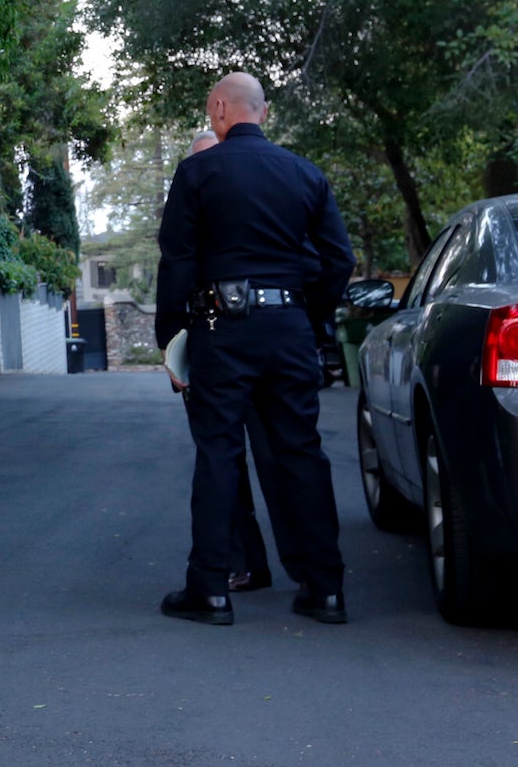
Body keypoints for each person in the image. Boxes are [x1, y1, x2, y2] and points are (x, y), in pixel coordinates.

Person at [154, 72, 354, 626]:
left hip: (223, 330)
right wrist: (305, 316)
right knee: (301, 453)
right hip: (289, 327)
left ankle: (211, 592)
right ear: (262, 112)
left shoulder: (197, 173)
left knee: (218, 452)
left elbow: (177, 264)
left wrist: (173, 344)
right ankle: (326, 590)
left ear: (220, 108)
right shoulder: (305, 174)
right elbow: (338, 260)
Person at [170, 131, 283, 594]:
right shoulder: (192, 221)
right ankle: (246, 564)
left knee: (278, 458)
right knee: (224, 465)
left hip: (261, 345)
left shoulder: (253, 212)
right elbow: (175, 276)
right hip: (208, 347)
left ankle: (307, 569)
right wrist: (175, 355)